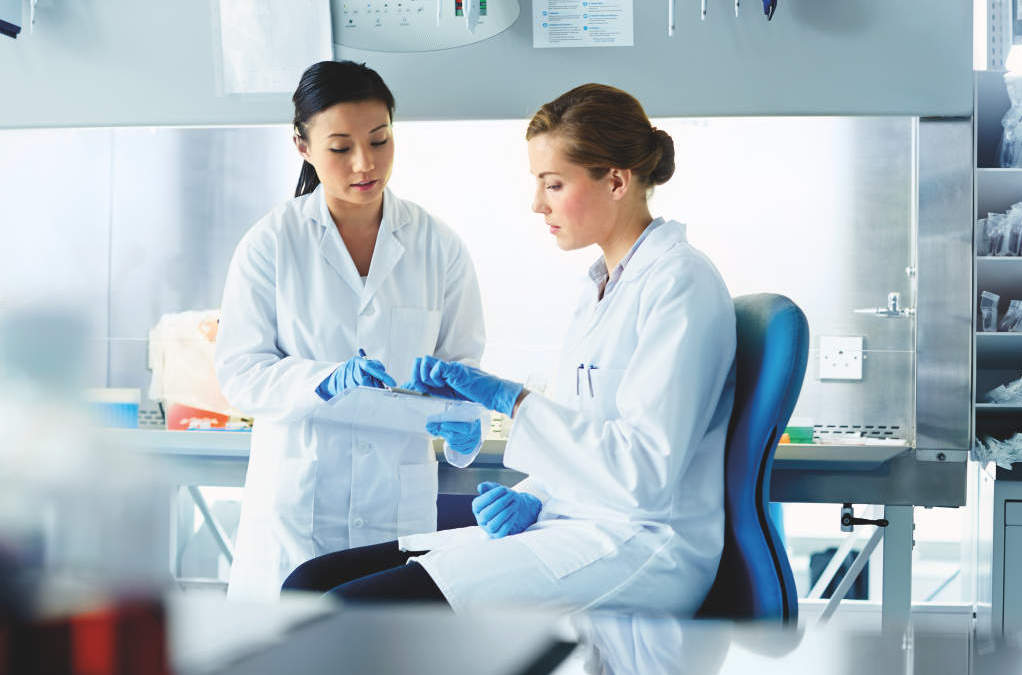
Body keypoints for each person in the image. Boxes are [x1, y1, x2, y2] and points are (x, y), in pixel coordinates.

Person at [283, 83, 736, 616]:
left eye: (553, 184)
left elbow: (645, 475)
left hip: (642, 544)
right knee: (309, 584)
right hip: (575, 522)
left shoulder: (679, 283)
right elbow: (584, 438)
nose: (537, 203)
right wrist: (534, 497)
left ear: (616, 180)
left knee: (348, 612)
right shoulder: (601, 288)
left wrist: (512, 400)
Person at [215, 61, 487, 602]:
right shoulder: (272, 242)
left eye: (379, 140)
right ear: (303, 145)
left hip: (396, 507)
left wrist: (465, 425)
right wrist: (323, 380)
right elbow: (239, 373)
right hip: (296, 511)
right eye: (340, 147)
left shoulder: (438, 245)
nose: (365, 163)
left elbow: (465, 372)